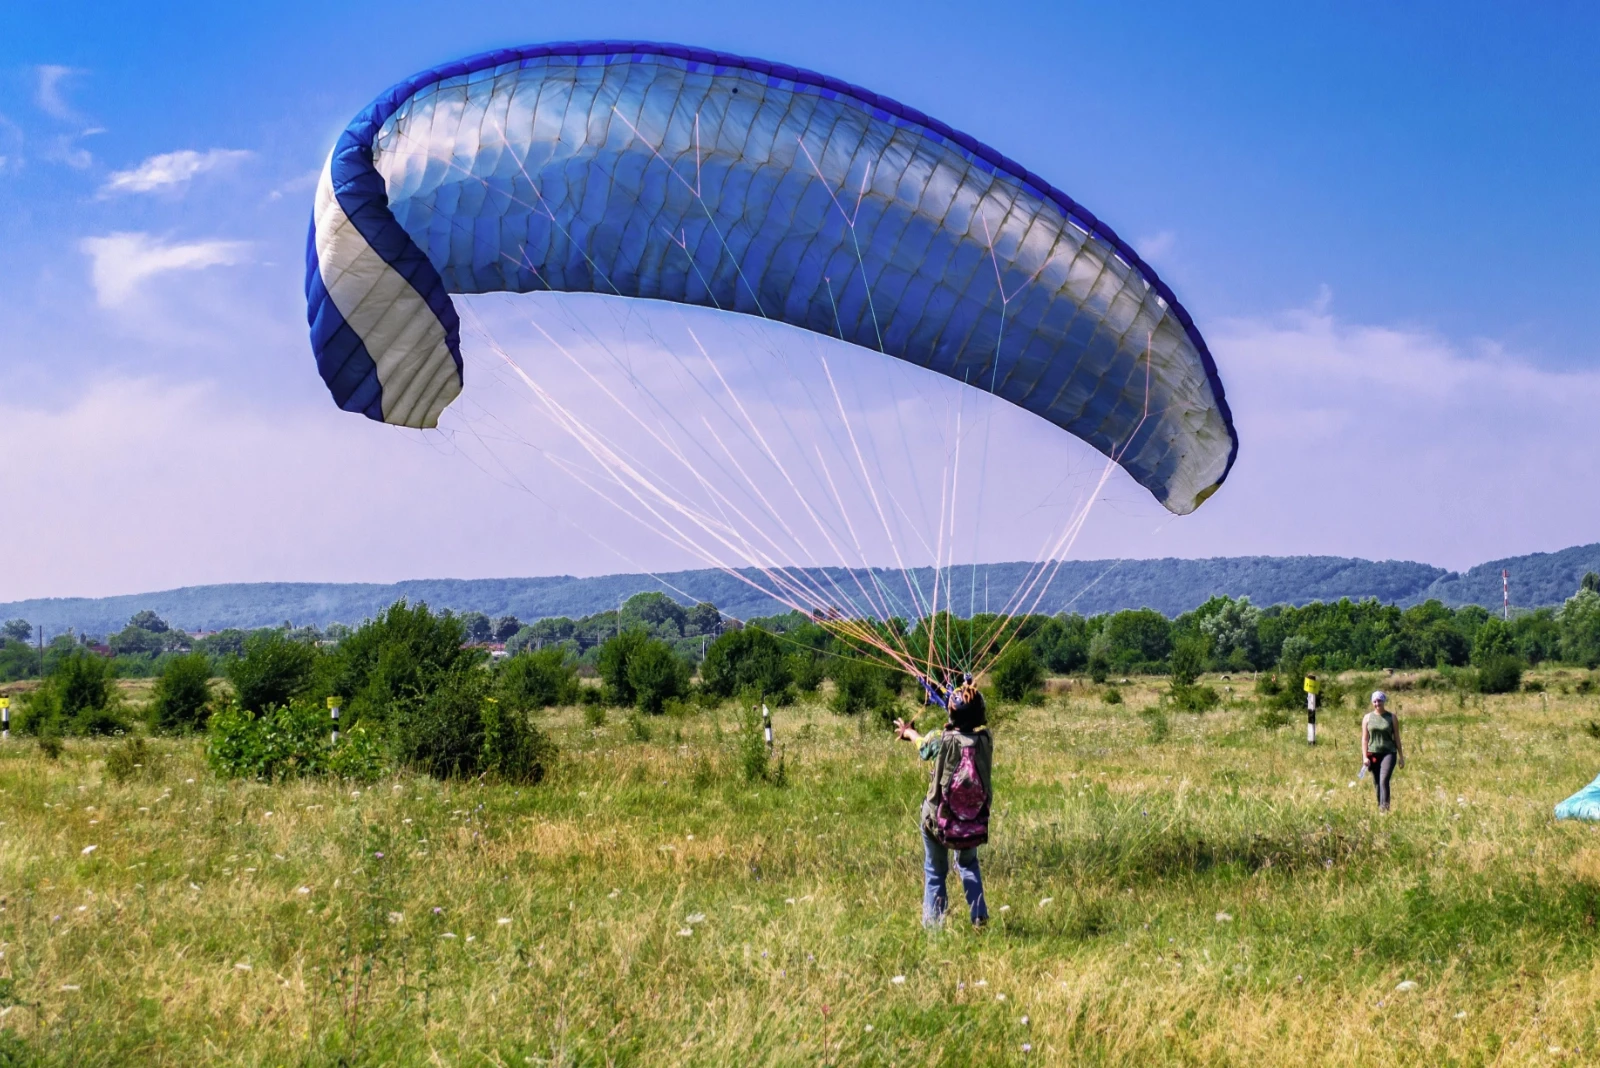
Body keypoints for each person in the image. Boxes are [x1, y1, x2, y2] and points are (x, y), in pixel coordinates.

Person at [895, 682, 992, 928]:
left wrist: (908, 732)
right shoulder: (986, 741)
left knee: (936, 871)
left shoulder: (940, 739)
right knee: (968, 863)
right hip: (971, 821)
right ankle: (978, 915)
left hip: (937, 821)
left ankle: (934, 928)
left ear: (952, 713)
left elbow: (922, 746)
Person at [1360, 690, 1405, 812]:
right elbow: (1364, 739)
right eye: (1374, 701)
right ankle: (1380, 805)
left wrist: (1401, 757)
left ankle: (1384, 809)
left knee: (1384, 779)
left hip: (1389, 753)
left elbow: (1397, 737)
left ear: (1383, 701)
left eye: (1379, 700)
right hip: (1373, 754)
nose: (1377, 703)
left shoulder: (1391, 717)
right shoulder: (1367, 718)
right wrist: (1365, 757)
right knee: (1376, 782)